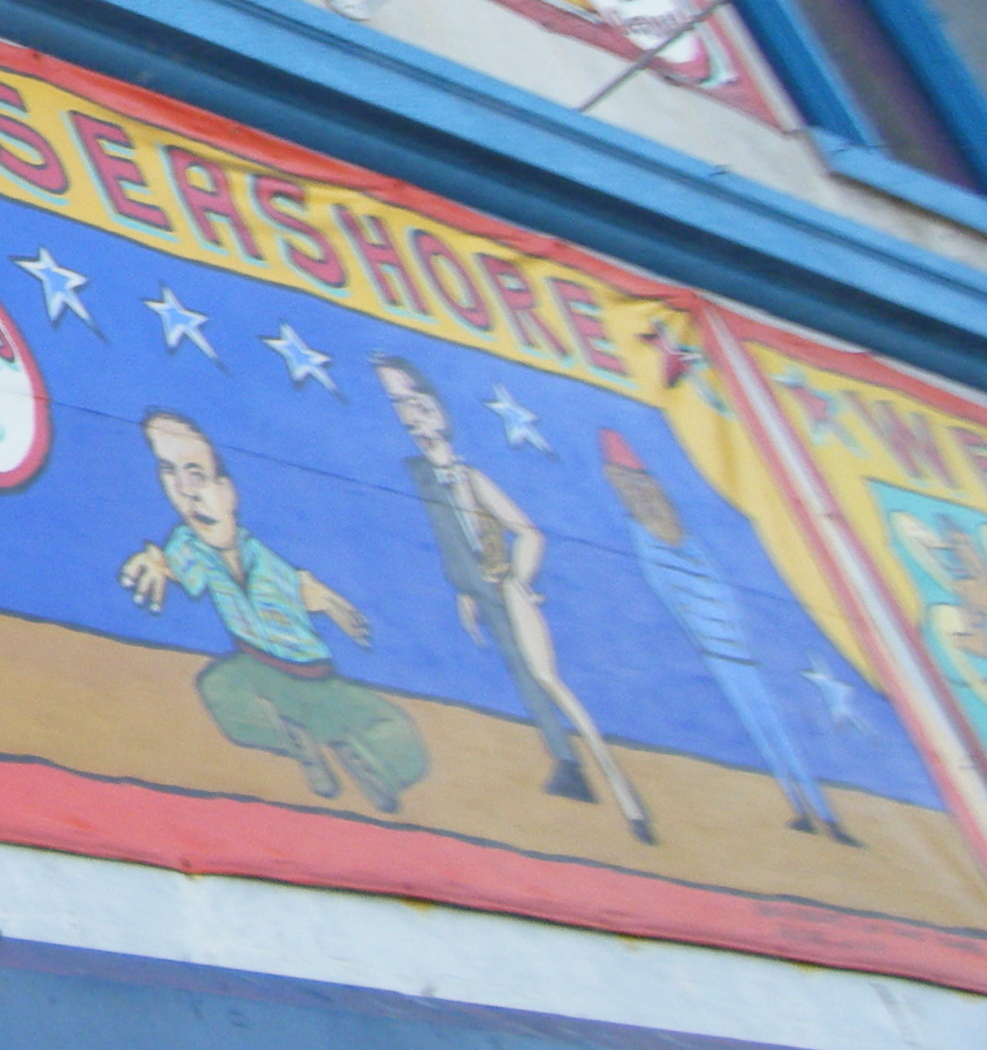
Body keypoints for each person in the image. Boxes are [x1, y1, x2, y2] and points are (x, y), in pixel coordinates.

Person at [380, 354, 654, 843]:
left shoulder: (470, 478)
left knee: (548, 680)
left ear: (440, 412)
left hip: (507, 589)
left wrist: (518, 581)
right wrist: (466, 590)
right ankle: (569, 766)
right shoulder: (424, 478)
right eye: (401, 408)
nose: (411, 419)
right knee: (526, 678)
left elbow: (528, 532)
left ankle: (626, 796)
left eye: (419, 406)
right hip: (483, 593)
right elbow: (451, 543)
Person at [119, 411, 424, 813]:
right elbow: (175, 565)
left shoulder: (271, 564)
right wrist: (157, 563)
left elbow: (308, 590)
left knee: (399, 731)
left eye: (197, 475)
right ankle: (297, 742)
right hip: (257, 671)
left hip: (317, 678)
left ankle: (363, 758)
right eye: (169, 472)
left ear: (229, 489)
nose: (186, 492)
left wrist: (330, 603)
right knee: (219, 686)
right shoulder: (188, 544)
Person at [599, 430, 849, 842]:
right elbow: (673, 595)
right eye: (629, 487)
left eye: (642, 485)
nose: (640, 495)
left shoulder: (682, 538)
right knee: (761, 732)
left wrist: (733, 633)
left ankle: (825, 815)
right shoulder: (645, 539)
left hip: (738, 651)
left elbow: (717, 590)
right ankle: (802, 809)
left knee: (777, 732)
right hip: (717, 653)